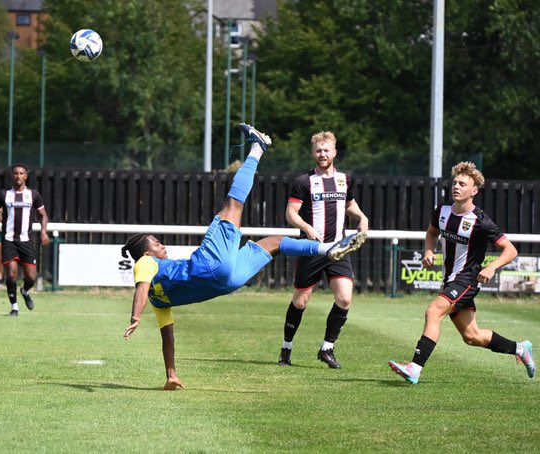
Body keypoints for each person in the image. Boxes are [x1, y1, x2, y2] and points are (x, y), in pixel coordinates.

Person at [122, 124, 366, 390]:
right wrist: (135, 316)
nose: (161, 246)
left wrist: (171, 373)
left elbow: (167, 335)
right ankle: (257, 148)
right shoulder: (146, 263)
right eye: (156, 244)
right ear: (146, 253)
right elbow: (141, 289)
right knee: (233, 204)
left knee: (273, 243)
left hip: (227, 283)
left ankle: (325, 249)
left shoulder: (160, 302)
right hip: (209, 265)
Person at [388, 162, 535, 384]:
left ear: (474, 191)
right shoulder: (443, 211)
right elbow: (431, 233)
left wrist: (492, 266)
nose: (456, 186)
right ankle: (520, 348)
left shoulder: (481, 221)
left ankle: (414, 368)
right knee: (472, 337)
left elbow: (511, 250)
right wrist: (429, 249)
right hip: (450, 280)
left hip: (467, 280)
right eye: (455, 182)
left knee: (433, 311)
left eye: (462, 184)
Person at [277, 131, 369, 369]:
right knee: (300, 302)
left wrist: (362, 217)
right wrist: (307, 228)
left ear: (334, 152)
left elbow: (350, 205)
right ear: (313, 153)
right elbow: (290, 214)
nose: (322, 154)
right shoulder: (303, 182)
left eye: (326, 150)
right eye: (318, 150)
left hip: (338, 249)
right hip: (312, 250)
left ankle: (327, 348)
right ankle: (286, 348)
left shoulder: (344, 179)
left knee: (345, 298)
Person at [0, 163, 50, 316]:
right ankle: (14, 307)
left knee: (31, 276)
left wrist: (43, 231)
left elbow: (43, 215)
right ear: (11, 176)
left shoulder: (33, 195)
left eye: (21, 173)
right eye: (15, 173)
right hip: (8, 239)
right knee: (12, 274)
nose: (18, 176)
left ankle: (25, 291)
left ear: (26, 176)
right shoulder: (3, 194)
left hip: (26, 240)